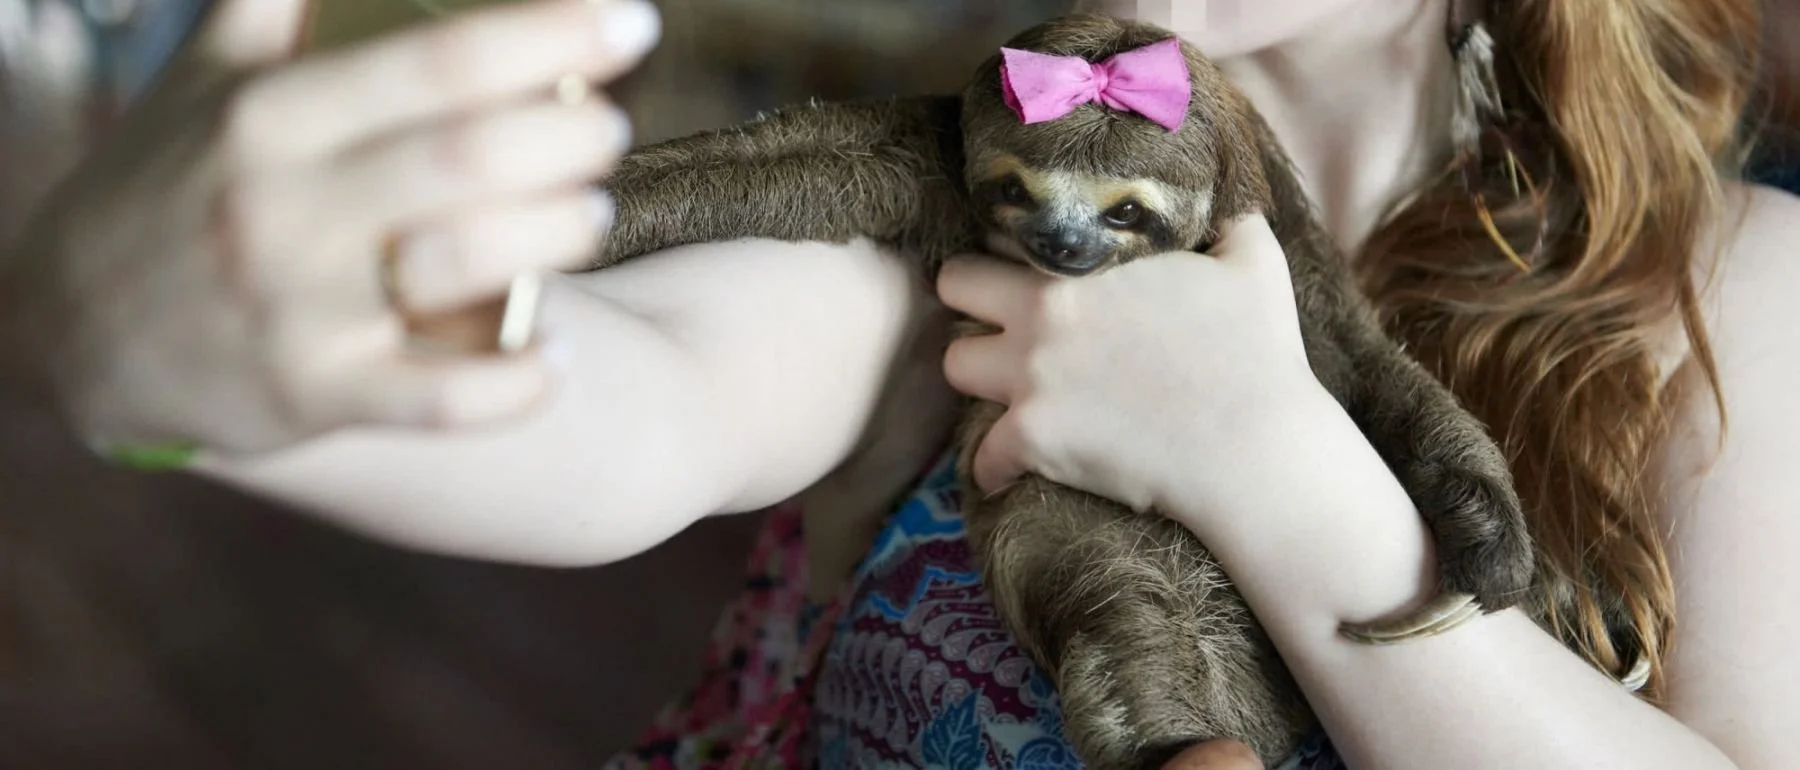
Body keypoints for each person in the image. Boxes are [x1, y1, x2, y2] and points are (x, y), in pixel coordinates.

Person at [1, 0, 1794, 768]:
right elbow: (632, 401)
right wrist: (171, 366)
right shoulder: (971, 172)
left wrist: (1275, 469)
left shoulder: (1729, 303)